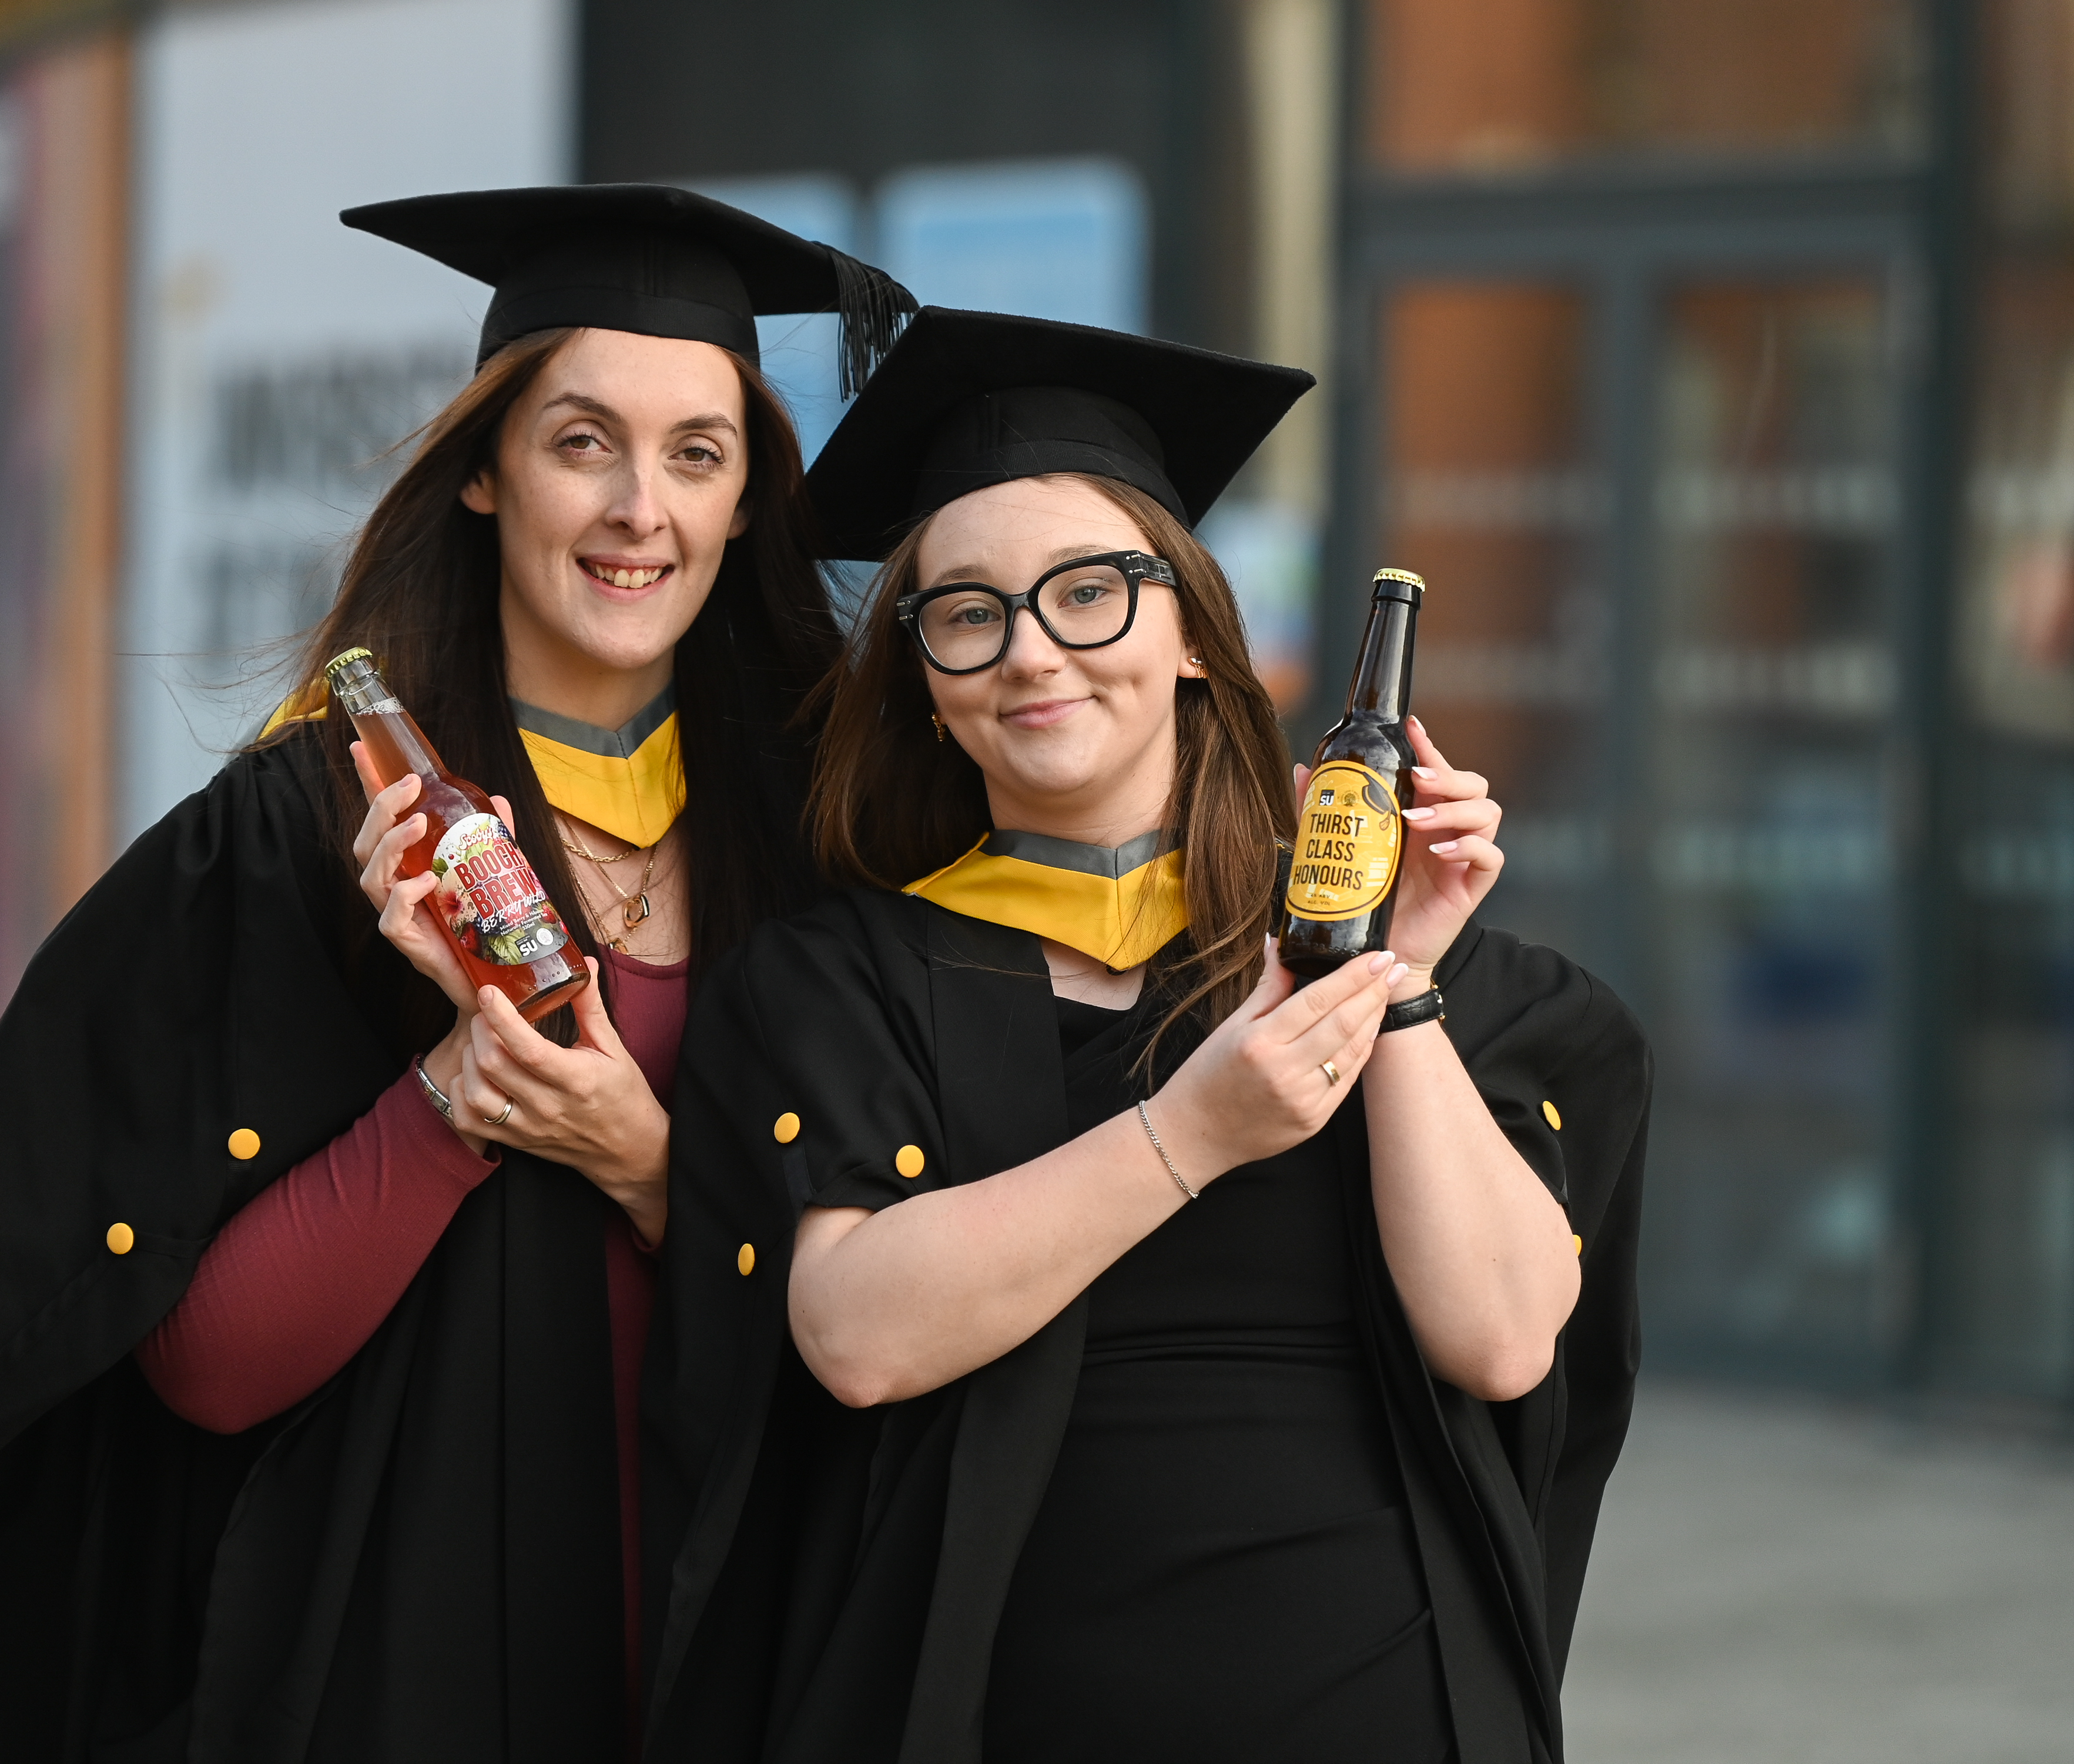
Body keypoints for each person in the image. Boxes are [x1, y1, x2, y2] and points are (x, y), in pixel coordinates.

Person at [0, 186, 910, 1763]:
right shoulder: (303, 835)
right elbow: (208, 1372)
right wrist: (453, 1094)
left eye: (696, 455)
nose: (641, 506)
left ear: (744, 506)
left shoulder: (831, 847)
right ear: (483, 476)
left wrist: (651, 1165)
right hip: (406, 1665)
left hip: (751, 1651)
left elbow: (904, 1314)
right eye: (583, 441)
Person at [643, 309, 1653, 1764]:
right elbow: (856, 1335)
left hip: (1379, 1708)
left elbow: (1501, 1340)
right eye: (970, 614)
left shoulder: (1415, 969)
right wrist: (1194, 1130)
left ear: (1191, 629)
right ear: (925, 684)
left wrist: (1396, 975)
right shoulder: (836, 981)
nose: (1033, 651)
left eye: (1090, 592)